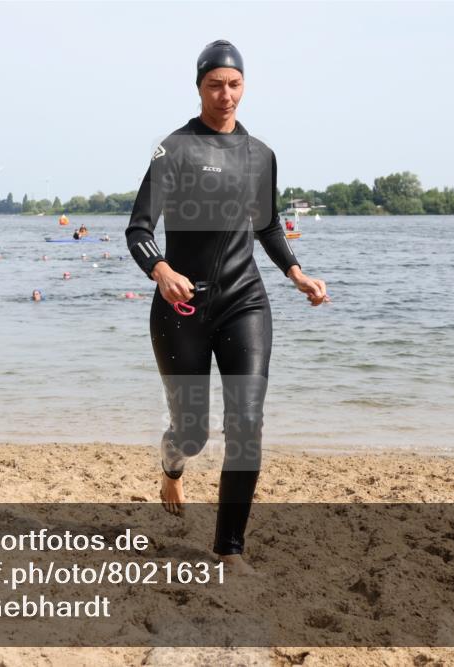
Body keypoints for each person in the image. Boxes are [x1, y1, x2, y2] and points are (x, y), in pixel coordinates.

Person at [126, 41, 328, 574]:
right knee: (192, 433)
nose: (226, 94)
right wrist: (161, 270)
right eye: (215, 84)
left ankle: (229, 550)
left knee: (247, 424)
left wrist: (296, 272)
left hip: (245, 300)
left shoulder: (260, 154)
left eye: (234, 84)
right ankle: (171, 465)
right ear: (199, 88)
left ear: (245, 87)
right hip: (182, 307)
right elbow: (139, 228)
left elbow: (266, 224)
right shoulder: (174, 149)